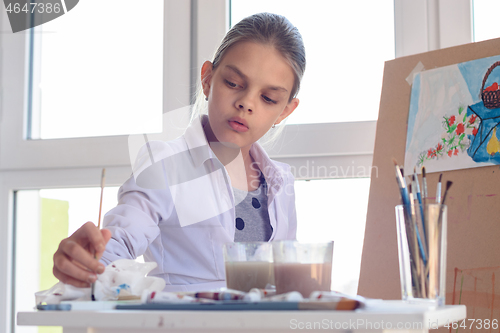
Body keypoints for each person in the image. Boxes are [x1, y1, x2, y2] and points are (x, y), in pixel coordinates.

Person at [53, 12, 306, 291]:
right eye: (233, 83)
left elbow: (287, 284)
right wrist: (86, 260)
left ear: (284, 110)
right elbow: (119, 241)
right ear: (208, 79)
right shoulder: (164, 165)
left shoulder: (281, 182)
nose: (246, 103)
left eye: (268, 98)